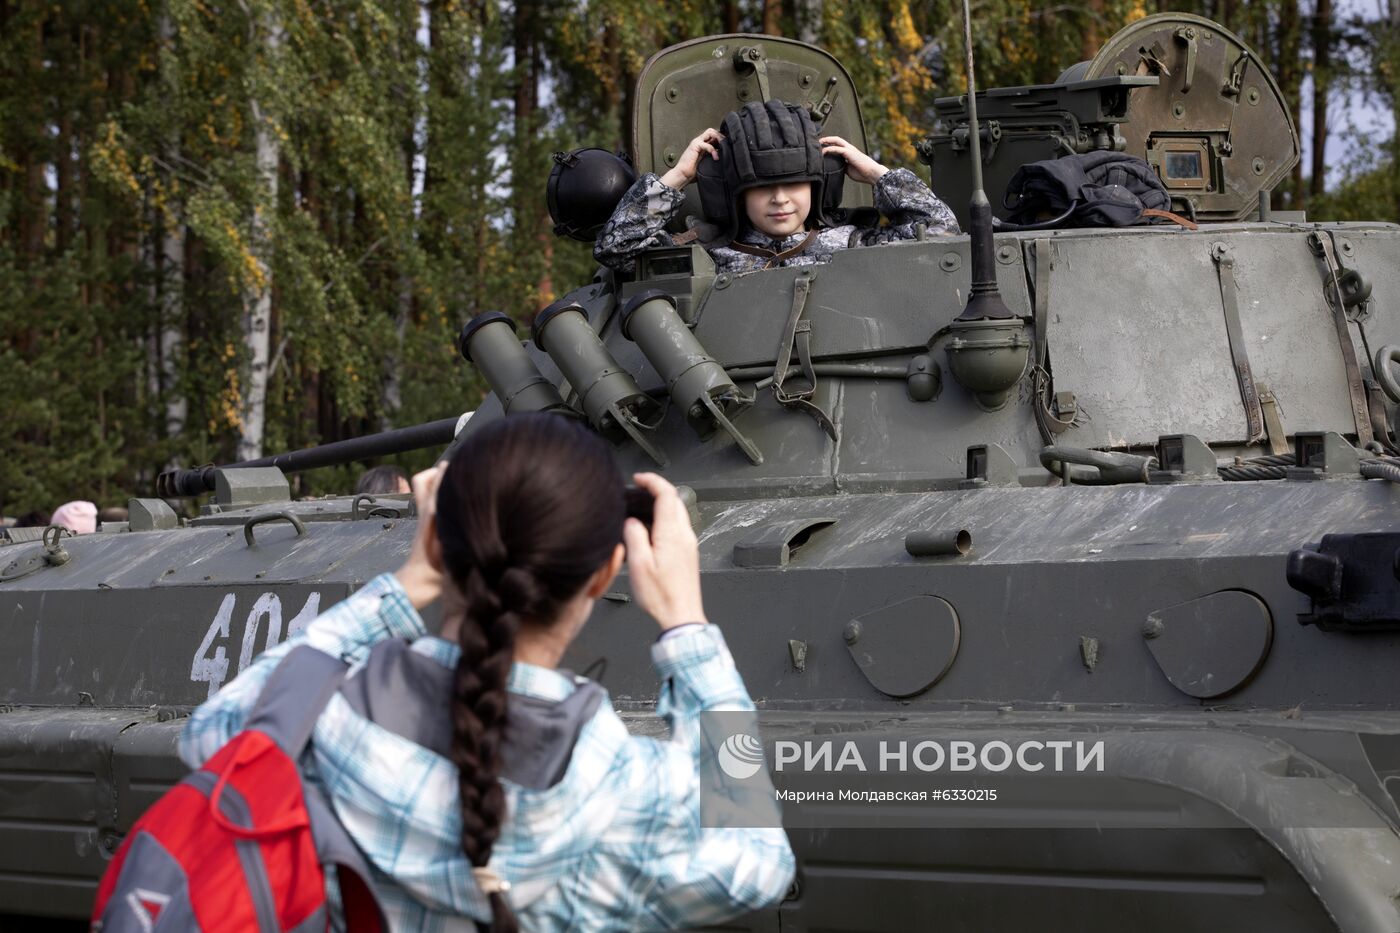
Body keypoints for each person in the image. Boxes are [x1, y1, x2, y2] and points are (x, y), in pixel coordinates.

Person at [180, 413, 795, 931]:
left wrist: (407, 579)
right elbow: (759, 858)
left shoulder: (311, 718)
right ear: (608, 573)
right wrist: (686, 624)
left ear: (440, 544)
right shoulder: (627, 793)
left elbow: (210, 730)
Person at [595, 99, 959, 275]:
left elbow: (943, 234)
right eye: (762, 187)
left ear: (818, 185)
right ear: (733, 193)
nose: (781, 199)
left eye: (795, 183)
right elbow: (616, 249)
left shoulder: (854, 246)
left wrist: (878, 174)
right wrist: (678, 177)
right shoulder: (708, 260)